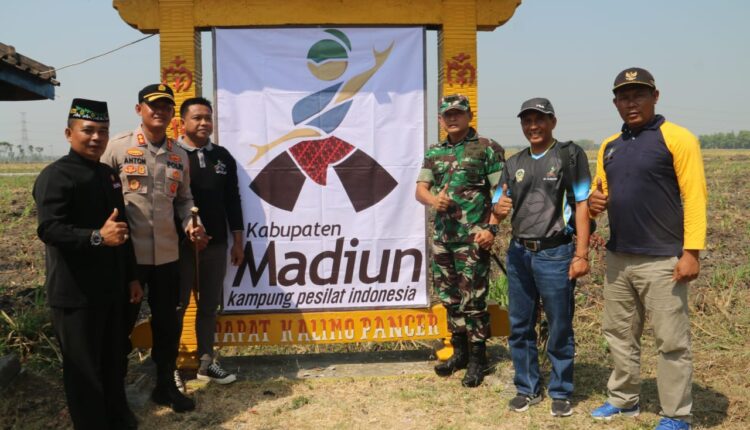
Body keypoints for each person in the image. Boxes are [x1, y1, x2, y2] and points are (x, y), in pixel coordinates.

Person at [588, 68, 707, 430]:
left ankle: (676, 414)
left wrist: (692, 252)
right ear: (615, 103)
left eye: (639, 95)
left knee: (671, 341)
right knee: (619, 333)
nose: (631, 103)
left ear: (655, 96)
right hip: (619, 256)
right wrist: (594, 203)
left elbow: (694, 196)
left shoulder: (678, 138)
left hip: (663, 259)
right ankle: (623, 399)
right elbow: (599, 193)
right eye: (624, 97)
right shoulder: (610, 146)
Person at [33, 99, 144, 429]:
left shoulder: (107, 175)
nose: (96, 138)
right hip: (75, 294)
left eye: (103, 131)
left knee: (113, 359)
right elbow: (49, 229)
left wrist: (132, 278)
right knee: (83, 371)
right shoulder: (56, 176)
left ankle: (118, 418)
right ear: (69, 133)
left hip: (111, 290)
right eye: (88, 130)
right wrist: (96, 237)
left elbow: (122, 230)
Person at [101, 84, 207, 413]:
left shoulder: (178, 155)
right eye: (153, 106)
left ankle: (165, 387)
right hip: (128, 257)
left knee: (167, 326)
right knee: (119, 325)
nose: (159, 112)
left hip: (167, 256)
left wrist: (192, 224)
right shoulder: (118, 147)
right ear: (139, 110)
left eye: (166, 107)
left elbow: (185, 200)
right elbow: (100, 194)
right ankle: (113, 395)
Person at [492, 98, 591, 417]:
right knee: (520, 324)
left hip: (556, 253)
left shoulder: (569, 155)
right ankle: (527, 387)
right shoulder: (514, 162)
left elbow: (582, 205)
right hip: (519, 253)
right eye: (527, 120)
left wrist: (581, 254)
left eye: (539, 120)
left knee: (559, 324)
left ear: (553, 122)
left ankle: (561, 391)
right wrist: (497, 210)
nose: (533, 126)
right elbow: (498, 203)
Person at [415, 94, 505, 388]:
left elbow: (502, 194)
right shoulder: (435, 152)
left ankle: (479, 359)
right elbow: (420, 190)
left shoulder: (486, 148)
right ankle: (460, 353)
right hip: (443, 239)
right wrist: (433, 200)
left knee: (473, 299)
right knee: (450, 297)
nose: (452, 118)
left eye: (457, 113)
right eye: (447, 114)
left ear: (469, 116)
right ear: (440, 119)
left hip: (473, 240)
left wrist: (491, 229)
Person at [174, 97, 243, 388]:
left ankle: (206, 362)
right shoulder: (171, 154)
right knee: (176, 307)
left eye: (208, 118)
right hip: (179, 248)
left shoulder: (223, 157)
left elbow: (233, 200)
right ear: (183, 122)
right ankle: (170, 367)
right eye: (197, 118)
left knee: (208, 307)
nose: (204, 123)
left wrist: (237, 241)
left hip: (215, 246)